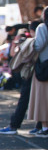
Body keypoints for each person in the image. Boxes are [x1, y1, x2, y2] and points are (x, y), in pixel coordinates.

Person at [0, 21, 42, 135]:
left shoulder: (34, 41)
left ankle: (14, 125)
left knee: (25, 98)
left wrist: (17, 44)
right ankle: (40, 126)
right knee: (40, 99)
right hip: (39, 72)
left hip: (33, 72)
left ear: (32, 31)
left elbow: (16, 56)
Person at [28, 7, 48, 136]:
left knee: (43, 98)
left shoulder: (42, 27)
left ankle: (45, 128)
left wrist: (29, 44)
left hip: (44, 66)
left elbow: (38, 45)